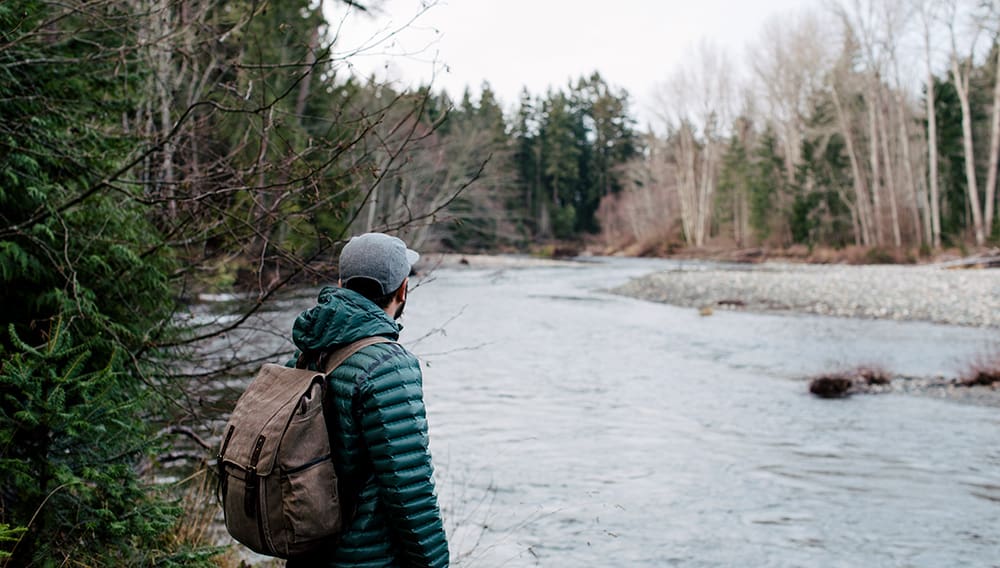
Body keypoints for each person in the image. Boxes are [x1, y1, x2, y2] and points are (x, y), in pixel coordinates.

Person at [286, 232, 449, 567]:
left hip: (306, 553)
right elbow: (410, 492)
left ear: (342, 283)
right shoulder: (390, 367)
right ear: (403, 290)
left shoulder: (310, 351)